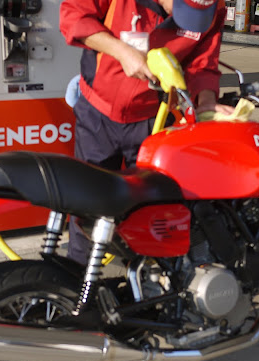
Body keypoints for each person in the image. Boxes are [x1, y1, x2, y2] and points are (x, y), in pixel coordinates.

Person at [59, 0, 233, 265]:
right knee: (88, 202)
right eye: (183, 8)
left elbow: (203, 65)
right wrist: (122, 51)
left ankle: (143, 277)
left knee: (148, 209)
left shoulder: (213, 9)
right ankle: (76, 276)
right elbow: (73, 18)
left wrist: (206, 101)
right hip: (99, 112)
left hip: (154, 119)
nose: (186, 19)